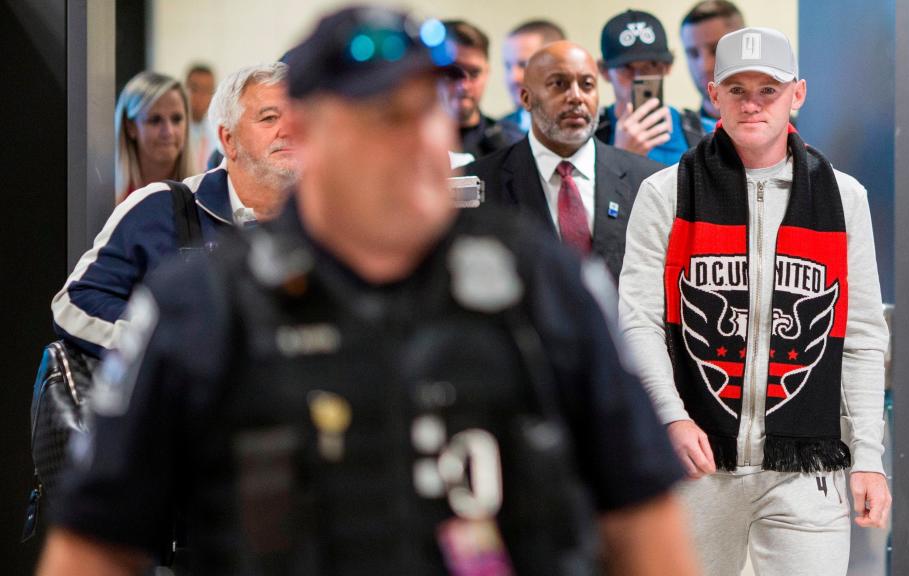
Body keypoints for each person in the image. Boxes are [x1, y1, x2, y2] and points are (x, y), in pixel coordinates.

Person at [37, 6, 700, 576]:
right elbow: (94, 543)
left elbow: (644, 520)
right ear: (307, 132)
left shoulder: (543, 285)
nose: (412, 136)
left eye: (426, 108)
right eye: (378, 114)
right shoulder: (204, 304)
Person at [618, 27, 891, 575]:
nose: (752, 103)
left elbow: (860, 335)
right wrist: (670, 418)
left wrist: (868, 458)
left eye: (768, 89)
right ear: (713, 95)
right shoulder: (665, 192)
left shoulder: (844, 198)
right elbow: (638, 323)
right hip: (695, 464)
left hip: (807, 469)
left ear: (798, 94)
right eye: (737, 89)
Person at [52, 62, 298, 358]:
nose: (288, 130)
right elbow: (75, 303)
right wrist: (168, 343)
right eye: (269, 118)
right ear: (228, 140)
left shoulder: (330, 229)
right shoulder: (158, 209)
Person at [465, 41, 662, 282]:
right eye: (559, 84)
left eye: (587, 85)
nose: (576, 97)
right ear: (526, 98)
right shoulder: (479, 181)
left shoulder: (647, 180)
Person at [595, 10, 692, 166]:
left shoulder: (700, 132)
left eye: (651, 65)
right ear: (604, 71)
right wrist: (621, 157)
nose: (639, 77)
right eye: (626, 67)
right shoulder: (590, 137)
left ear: (667, 67)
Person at [442, 19, 523, 159]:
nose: (464, 85)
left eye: (474, 73)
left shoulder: (512, 145)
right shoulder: (402, 143)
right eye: (453, 73)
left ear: (487, 72)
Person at [114, 71, 191, 202]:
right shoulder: (107, 198)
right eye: (155, 120)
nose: (168, 131)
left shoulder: (203, 198)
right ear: (130, 127)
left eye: (176, 119)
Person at [679, 1, 745, 144]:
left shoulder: (794, 132)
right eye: (693, 53)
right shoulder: (673, 139)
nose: (704, 66)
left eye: (715, 50)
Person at [498, 19, 566, 135]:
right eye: (508, 66)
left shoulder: (591, 129)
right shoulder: (497, 133)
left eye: (524, 65)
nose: (513, 78)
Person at [185, 63, 218, 173]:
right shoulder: (174, 131)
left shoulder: (216, 131)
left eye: (207, 90)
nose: (200, 96)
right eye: (195, 89)